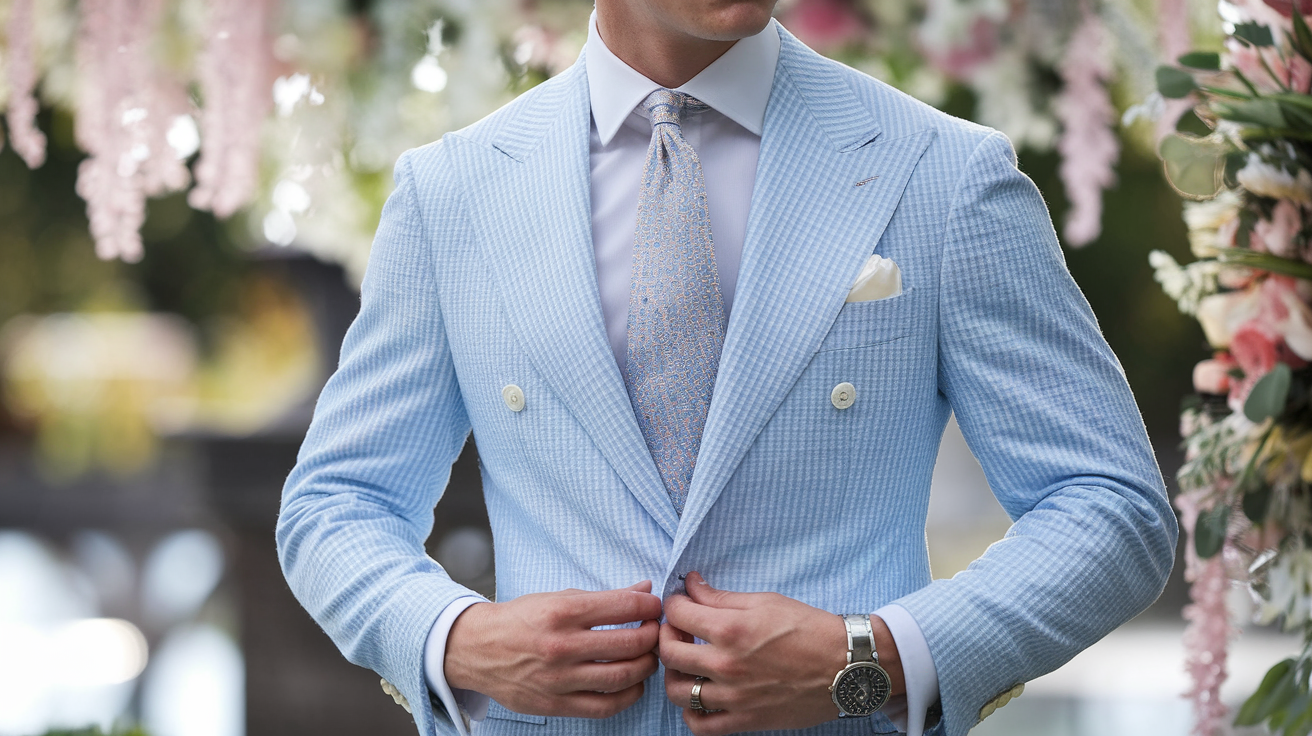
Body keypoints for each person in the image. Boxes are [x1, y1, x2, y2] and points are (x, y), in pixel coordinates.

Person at [276, 0, 1179, 734]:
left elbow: (1110, 505)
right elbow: (336, 503)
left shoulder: (943, 175)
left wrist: (872, 659)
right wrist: (456, 638)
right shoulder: (452, 192)